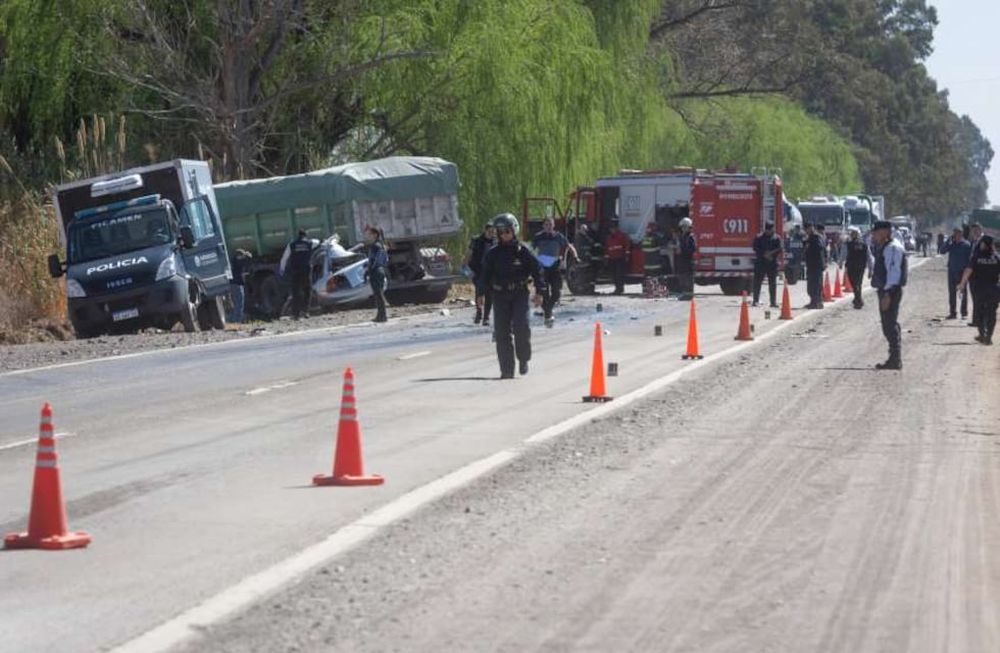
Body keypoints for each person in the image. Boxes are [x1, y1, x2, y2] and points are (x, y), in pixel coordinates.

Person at [482, 213, 546, 378]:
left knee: (521, 328)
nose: (504, 235)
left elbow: (538, 271)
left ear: (514, 230)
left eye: (507, 231)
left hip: (519, 294)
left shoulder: (523, 251)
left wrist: (540, 291)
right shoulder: (493, 254)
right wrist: (481, 294)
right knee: (501, 333)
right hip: (499, 296)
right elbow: (485, 275)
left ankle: (523, 359)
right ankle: (507, 370)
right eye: (501, 232)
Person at [870, 220, 907, 370]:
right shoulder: (886, 247)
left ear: (885, 232)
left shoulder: (892, 248)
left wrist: (888, 293)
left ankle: (895, 359)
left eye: (876, 232)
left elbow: (894, 272)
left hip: (890, 290)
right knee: (888, 324)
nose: (874, 236)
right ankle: (894, 357)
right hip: (887, 289)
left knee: (889, 325)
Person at [531, 216, 576, 327]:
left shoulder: (558, 236)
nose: (548, 227)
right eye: (546, 225)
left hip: (554, 267)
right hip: (542, 268)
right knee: (543, 293)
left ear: (553, 225)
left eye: (550, 224)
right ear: (543, 226)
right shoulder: (538, 237)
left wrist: (575, 256)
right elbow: (530, 250)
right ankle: (548, 315)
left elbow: (569, 246)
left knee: (556, 293)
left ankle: (548, 311)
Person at [957, 235, 999, 345]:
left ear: (984, 244)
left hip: (980, 289)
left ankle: (982, 334)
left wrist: (962, 284)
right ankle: (988, 337)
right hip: (994, 289)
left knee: (979, 311)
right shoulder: (996, 257)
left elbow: (968, 270)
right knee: (992, 313)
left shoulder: (976, 256)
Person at [279, 229, 318, 319]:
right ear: (305, 236)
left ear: (298, 235)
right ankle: (306, 312)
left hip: (295, 270)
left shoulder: (292, 244)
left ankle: (296, 314)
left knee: (295, 292)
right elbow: (318, 241)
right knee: (307, 291)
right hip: (306, 270)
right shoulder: (310, 243)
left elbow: (284, 258)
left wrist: (281, 269)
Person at [466, 222, 497, 326]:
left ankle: (486, 317)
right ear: (485, 230)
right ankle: (479, 312)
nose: (492, 233)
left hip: (492, 272)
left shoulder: (496, 242)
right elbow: (469, 255)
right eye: (490, 231)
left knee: (489, 294)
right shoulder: (476, 240)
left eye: (493, 231)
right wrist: (467, 269)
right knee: (479, 293)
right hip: (478, 271)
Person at [941, 227, 971, 320]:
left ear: (961, 234)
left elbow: (969, 259)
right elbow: (942, 251)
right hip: (952, 271)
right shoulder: (951, 244)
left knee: (963, 293)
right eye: (954, 234)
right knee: (952, 293)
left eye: (958, 233)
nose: (956, 235)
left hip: (962, 272)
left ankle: (964, 313)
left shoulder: (966, 245)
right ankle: (953, 312)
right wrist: (948, 241)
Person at [752, 222, 783, 307]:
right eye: (769, 230)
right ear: (766, 229)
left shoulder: (777, 238)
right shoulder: (759, 237)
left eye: (772, 229)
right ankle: (755, 300)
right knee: (757, 282)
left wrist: (771, 255)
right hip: (761, 263)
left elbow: (780, 248)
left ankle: (773, 302)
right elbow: (755, 248)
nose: (771, 231)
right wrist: (764, 254)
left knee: (772, 283)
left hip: (772, 263)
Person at [364, 225, 390, 323]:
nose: (367, 236)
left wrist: (369, 270)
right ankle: (381, 315)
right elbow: (385, 259)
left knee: (378, 294)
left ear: (375, 235)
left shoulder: (375, 246)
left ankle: (382, 316)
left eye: (369, 234)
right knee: (379, 294)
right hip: (380, 270)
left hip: (375, 270)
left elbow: (373, 260)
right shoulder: (381, 245)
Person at [843, 227, 872, 309]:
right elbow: (869, 257)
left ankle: (858, 300)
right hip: (860, 267)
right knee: (857, 283)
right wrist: (870, 269)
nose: (852, 235)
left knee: (855, 284)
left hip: (852, 267)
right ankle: (857, 299)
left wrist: (840, 262)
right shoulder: (864, 244)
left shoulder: (849, 244)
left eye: (853, 233)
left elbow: (844, 254)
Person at [966, 222, 984, 328]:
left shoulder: (983, 241)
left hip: (980, 275)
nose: (974, 232)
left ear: (980, 229)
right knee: (975, 298)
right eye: (973, 230)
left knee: (979, 299)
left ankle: (979, 321)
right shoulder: (974, 241)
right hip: (973, 274)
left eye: (976, 230)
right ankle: (976, 320)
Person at [803, 223, 825, 309]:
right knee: (811, 285)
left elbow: (819, 248)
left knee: (816, 285)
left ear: (811, 228)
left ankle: (817, 302)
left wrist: (809, 246)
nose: (806, 231)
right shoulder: (809, 237)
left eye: (807, 229)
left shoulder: (816, 237)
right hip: (811, 264)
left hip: (816, 264)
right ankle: (813, 301)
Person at [227, 249, 252, 323]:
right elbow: (248, 259)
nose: (242, 257)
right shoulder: (237, 261)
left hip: (232, 284)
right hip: (237, 284)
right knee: (239, 302)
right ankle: (237, 320)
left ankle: (233, 319)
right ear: (238, 256)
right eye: (241, 256)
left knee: (235, 302)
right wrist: (247, 255)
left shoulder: (232, 261)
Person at [604, 221, 630, 295]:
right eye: (611, 229)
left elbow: (627, 245)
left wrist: (626, 255)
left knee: (619, 275)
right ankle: (617, 288)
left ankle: (620, 289)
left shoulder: (622, 236)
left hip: (620, 258)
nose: (612, 230)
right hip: (612, 259)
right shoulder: (609, 238)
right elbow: (607, 248)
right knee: (614, 275)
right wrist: (606, 258)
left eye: (613, 228)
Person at [676, 217, 697, 300]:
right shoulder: (683, 236)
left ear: (688, 227)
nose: (683, 229)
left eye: (684, 227)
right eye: (682, 227)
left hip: (688, 261)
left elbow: (692, 248)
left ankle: (688, 295)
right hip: (683, 261)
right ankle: (685, 294)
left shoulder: (690, 237)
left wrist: (682, 250)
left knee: (688, 279)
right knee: (683, 278)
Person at [640, 222, 664, 294]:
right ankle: (656, 290)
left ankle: (646, 290)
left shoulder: (645, 237)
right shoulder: (657, 236)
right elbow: (663, 244)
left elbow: (641, 246)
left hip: (647, 262)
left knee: (647, 277)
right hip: (655, 261)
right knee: (656, 276)